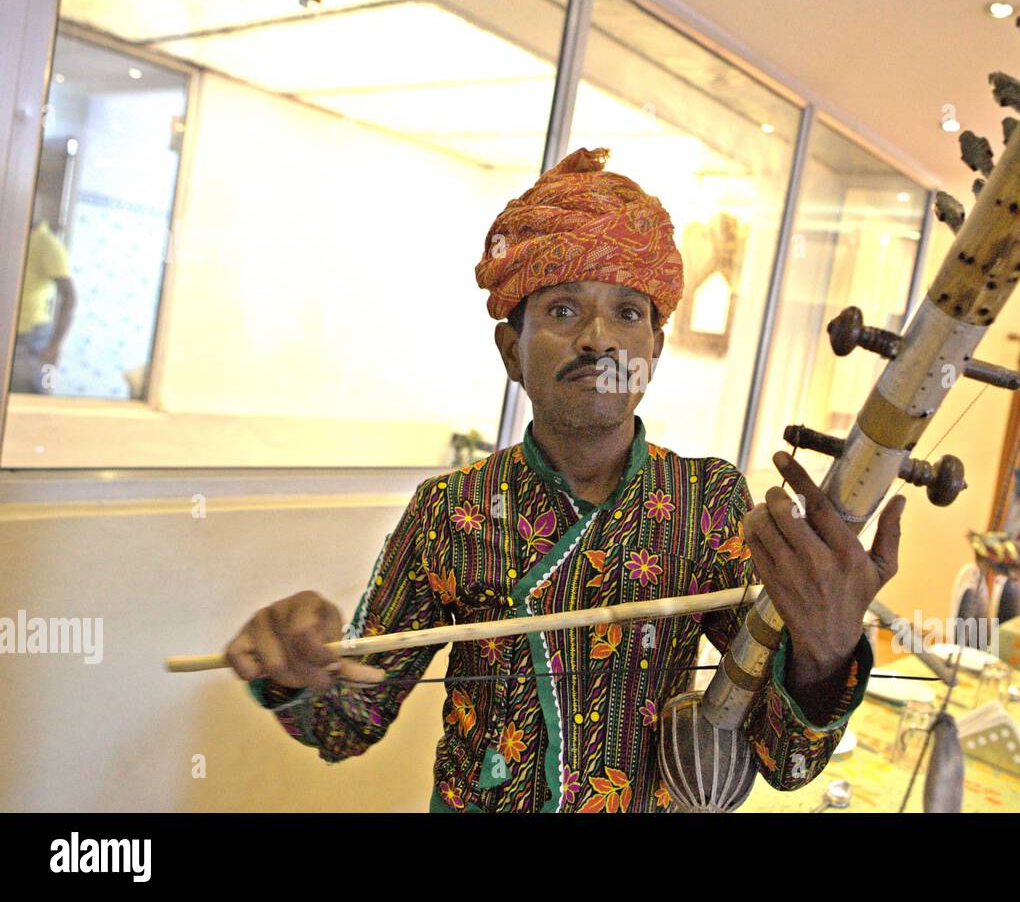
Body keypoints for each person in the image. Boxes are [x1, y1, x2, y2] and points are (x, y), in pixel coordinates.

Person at [225, 147, 906, 812]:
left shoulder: (708, 500)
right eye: (561, 310)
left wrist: (823, 658)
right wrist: (294, 669)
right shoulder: (447, 510)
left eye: (629, 314)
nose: (599, 340)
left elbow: (778, 760)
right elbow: (351, 721)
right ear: (510, 352)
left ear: (654, 352)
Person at [11, 218, 76, 394]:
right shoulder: (12, 237)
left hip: (32, 337)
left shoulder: (48, 245)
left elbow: (70, 297)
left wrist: (54, 345)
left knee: (32, 396)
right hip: (13, 334)